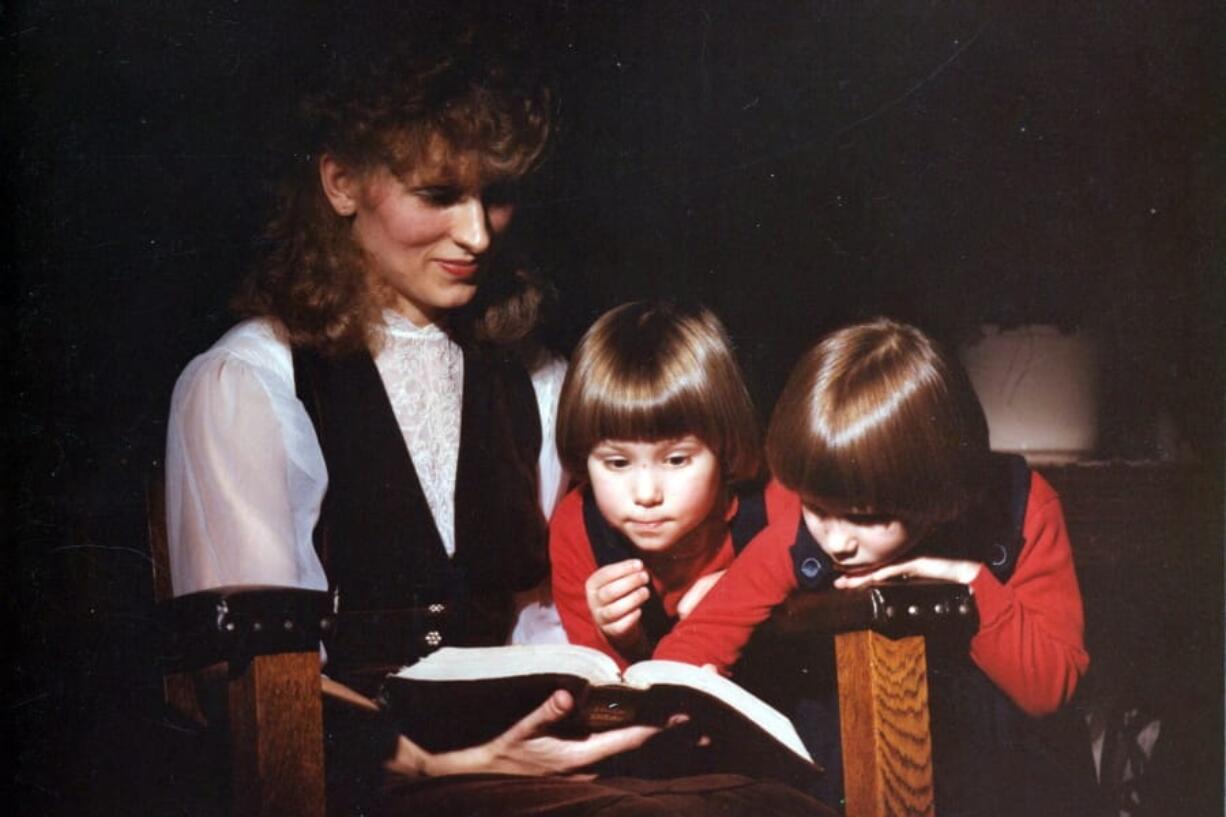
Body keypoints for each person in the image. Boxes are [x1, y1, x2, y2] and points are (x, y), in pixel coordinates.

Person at [165, 18, 829, 817]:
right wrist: (442, 765)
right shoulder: (249, 381)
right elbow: (242, 680)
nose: (477, 235)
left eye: (498, 196)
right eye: (440, 195)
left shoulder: (540, 381)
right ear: (340, 182)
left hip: (557, 756)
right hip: (369, 782)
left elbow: (571, 610)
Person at [655, 317, 1098, 817]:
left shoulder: (1023, 508)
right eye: (816, 509)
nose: (837, 541)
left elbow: (1049, 689)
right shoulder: (803, 525)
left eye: (867, 518)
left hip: (1007, 780)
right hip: (856, 766)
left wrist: (969, 583)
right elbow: (697, 643)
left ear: (943, 501)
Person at [550, 301, 800, 667]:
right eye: (618, 463)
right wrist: (622, 640)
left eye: (677, 460)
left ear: (724, 447)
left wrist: (750, 599)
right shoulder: (576, 527)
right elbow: (612, 701)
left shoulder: (778, 499)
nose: (646, 494)